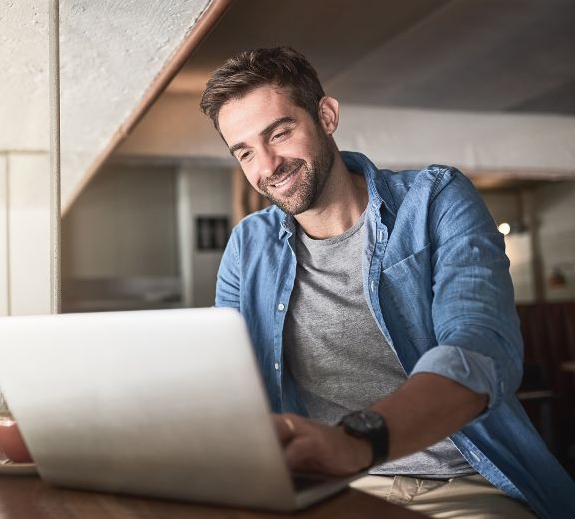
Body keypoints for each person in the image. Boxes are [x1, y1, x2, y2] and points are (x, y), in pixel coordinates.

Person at [199, 46, 575, 519]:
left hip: (466, 485)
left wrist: (355, 442)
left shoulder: (436, 199)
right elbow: (231, 381)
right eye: (245, 152)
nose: (267, 165)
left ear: (326, 115)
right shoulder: (247, 246)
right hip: (328, 491)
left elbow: (480, 350)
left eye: (279, 132)